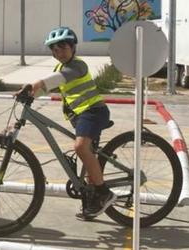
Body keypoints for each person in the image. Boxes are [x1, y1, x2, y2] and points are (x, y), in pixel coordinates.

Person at [19, 27, 116, 220]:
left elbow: (56, 79)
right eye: (54, 50)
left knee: (81, 147)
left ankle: (104, 192)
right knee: (87, 157)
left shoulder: (78, 66)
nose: (58, 53)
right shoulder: (60, 68)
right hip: (81, 116)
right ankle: (92, 202)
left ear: (73, 48)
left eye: (62, 48)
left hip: (93, 112)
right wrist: (29, 95)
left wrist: (35, 84)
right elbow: (50, 85)